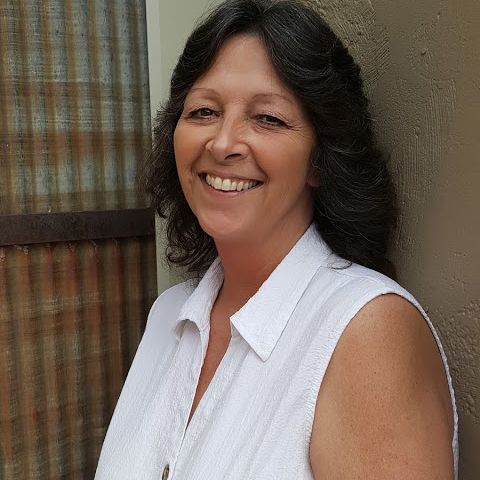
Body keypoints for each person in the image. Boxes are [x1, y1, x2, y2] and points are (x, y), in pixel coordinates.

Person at [95, 0, 458, 478]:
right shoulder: (169, 316)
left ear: (319, 159)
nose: (223, 144)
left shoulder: (366, 332)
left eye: (268, 119)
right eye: (204, 110)